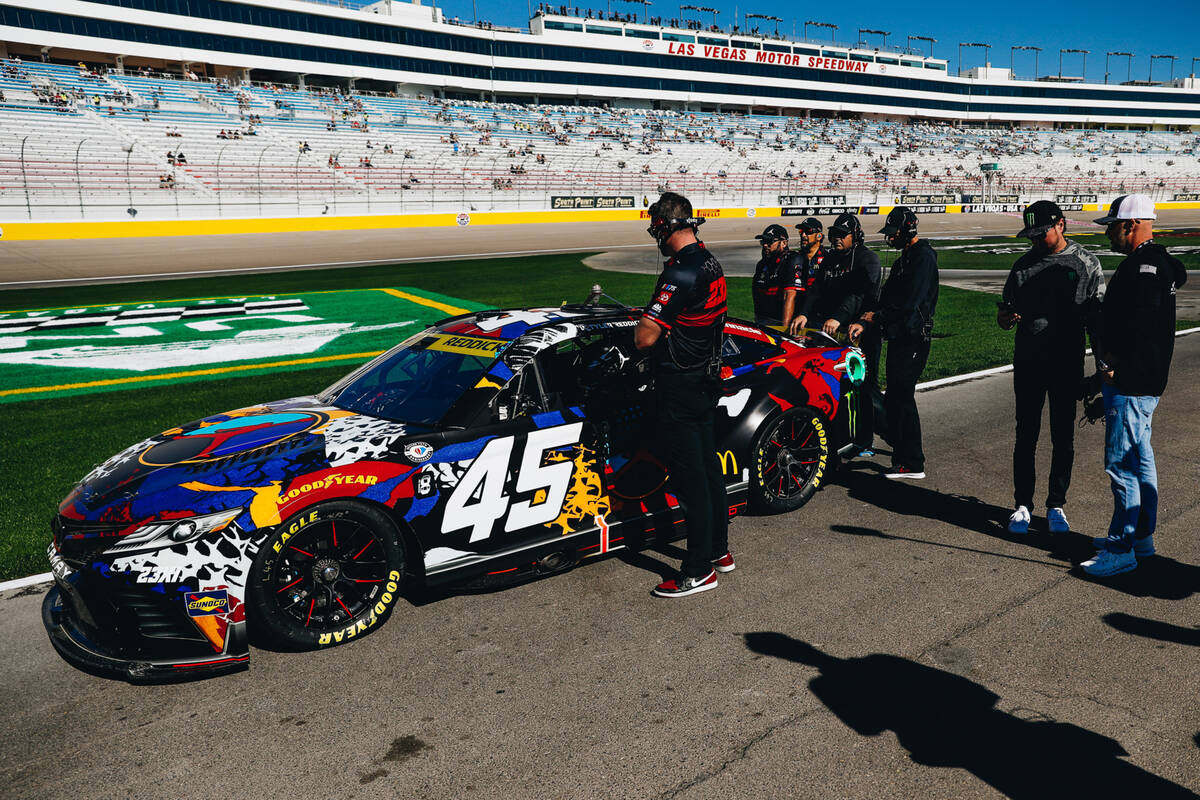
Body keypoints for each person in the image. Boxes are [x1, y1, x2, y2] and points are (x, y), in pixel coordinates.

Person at [1082, 195, 1186, 577]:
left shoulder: (1143, 266)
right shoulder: (1157, 262)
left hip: (1132, 382)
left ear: (1131, 224)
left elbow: (1140, 327)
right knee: (1140, 461)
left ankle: (1122, 547)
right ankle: (1141, 537)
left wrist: (1112, 366)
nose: (1109, 234)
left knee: (1121, 464)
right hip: (1145, 380)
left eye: (1113, 227)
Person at [634, 192, 731, 598]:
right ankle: (719, 551)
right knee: (709, 472)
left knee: (691, 481)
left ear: (665, 227)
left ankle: (697, 569)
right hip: (705, 379)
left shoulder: (679, 272)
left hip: (680, 384)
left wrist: (650, 325)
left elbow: (644, 337)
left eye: (656, 226)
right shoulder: (708, 259)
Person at [998, 201, 1104, 535]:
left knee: (1063, 435)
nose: (1036, 240)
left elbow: (1098, 319)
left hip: (1066, 362)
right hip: (1029, 362)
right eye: (1031, 235)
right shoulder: (1023, 265)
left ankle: (1056, 504)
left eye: (1041, 233)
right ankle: (1022, 505)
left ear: (1061, 225)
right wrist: (1005, 318)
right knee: (1025, 434)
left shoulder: (1085, 263)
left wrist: (1103, 366)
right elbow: (1005, 312)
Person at [848, 207, 938, 479]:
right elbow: (886, 298)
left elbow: (910, 303)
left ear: (908, 229)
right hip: (898, 336)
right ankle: (904, 456)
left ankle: (912, 462)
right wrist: (868, 316)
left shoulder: (923, 258)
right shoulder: (902, 262)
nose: (889, 239)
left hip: (914, 336)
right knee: (897, 397)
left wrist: (877, 315)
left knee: (902, 397)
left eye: (893, 233)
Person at [793, 213, 882, 456]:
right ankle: (840, 439)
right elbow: (816, 290)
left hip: (861, 331)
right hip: (832, 333)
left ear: (857, 235)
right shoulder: (830, 258)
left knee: (863, 388)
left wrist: (840, 317)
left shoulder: (868, 259)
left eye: (842, 235)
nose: (837, 239)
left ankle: (873, 437)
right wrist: (803, 313)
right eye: (834, 235)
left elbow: (859, 295)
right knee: (834, 388)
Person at [750, 224, 801, 328]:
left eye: (769, 242)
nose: (765, 245)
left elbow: (789, 296)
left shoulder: (792, 260)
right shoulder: (761, 264)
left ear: (784, 243)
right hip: (764, 322)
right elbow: (756, 295)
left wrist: (784, 329)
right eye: (763, 242)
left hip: (782, 324)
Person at [792, 218, 827, 312]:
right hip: (797, 312)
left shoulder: (829, 257)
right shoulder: (794, 257)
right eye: (801, 231)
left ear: (819, 236)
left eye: (808, 232)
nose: (803, 235)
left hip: (821, 313)